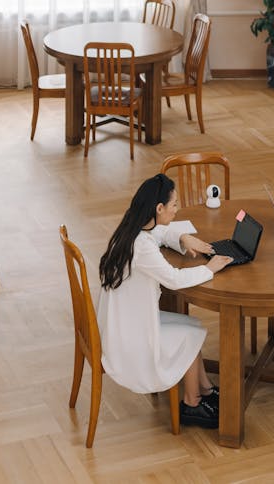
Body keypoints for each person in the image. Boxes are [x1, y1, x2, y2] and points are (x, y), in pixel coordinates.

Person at [97, 172, 232, 428]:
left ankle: (204, 389)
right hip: (129, 338)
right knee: (190, 335)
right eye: (174, 205)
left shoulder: (133, 229)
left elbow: (161, 234)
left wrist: (181, 237)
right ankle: (191, 404)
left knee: (192, 325)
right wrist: (210, 269)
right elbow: (174, 279)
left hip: (125, 320)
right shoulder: (143, 247)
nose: (176, 210)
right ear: (159, 208)